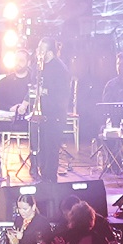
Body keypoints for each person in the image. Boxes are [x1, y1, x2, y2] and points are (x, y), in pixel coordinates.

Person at [0, 50, 37, 179]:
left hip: (27, 119)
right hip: (9, 118)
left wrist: (25, 108)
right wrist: (11, 108)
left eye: (21, 61)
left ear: (28, 62)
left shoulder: (33, 80)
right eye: (16, 60)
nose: (18, 63)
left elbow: (37, 99)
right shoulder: (5, 81)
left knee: (37, 125)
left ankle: (35, 165)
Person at [35, 37, 69, 182]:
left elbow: (61, 93)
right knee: (43, 146)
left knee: (51, 148)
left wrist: (44, 91)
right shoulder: (42, 66)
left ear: (49, 52)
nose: (38, 51)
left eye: (41, 49)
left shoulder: (59, 69)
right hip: (44, 114)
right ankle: (43, 175)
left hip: (55, 115)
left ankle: (50, 179)